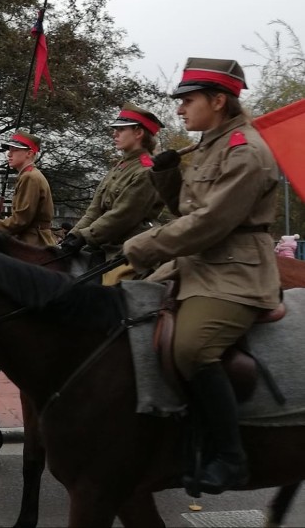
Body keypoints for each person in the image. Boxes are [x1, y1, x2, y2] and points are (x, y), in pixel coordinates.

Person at [123, 58, 280, 496]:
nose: (179, 110)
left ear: (218, 100)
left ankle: (232, 458)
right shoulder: (209, 146)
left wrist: (144, 245)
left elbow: (212, 222)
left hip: (235, 271)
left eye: (188, 101)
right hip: (197, 264)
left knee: (193, 348)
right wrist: (167, 173)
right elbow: (185, 212)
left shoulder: (245, 150)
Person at [60, 103, 165, 284]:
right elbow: (94, 211)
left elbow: (122, 216)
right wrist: (73, 235)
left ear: (138, 133)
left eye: (121, 129)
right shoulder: (120, 166)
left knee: (107, 297)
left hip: (130, 250)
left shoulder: (146, 170)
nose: (114, 134)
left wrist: (84, 237)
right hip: (106, 246)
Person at [0, 131, 56, 246]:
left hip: (33, 242)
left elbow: (20, 221)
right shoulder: (27, 175)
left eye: (15, 150)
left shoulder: (30, 177)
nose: (9, 154)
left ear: (29, 153)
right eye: (9, 150)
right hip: (31, 238)